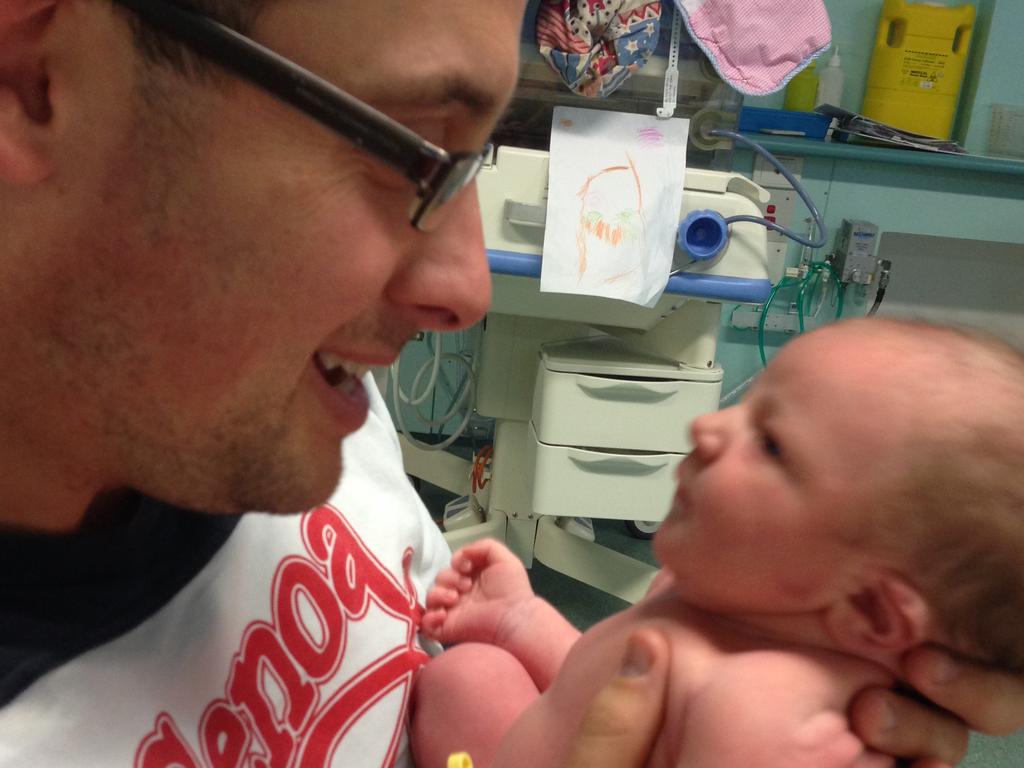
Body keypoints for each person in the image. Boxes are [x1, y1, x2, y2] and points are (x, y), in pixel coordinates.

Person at [0, 0, 1019, 764]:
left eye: (473, 162)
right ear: (32, 75)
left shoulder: (300, 404)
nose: (466, 287)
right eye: (408, 152)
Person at [411, 318, 1024, 768]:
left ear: (871, 608)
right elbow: (616, 686)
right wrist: (519, 619)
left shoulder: (763, 718)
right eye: (749, 404)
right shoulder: (709, 599)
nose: (707, 427)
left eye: (772, 443)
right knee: (471, 675)